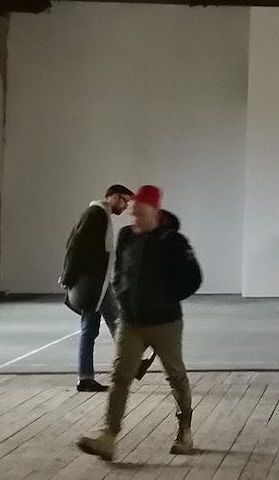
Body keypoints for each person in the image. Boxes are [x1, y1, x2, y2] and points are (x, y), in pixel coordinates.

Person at [77, 185, 203, 462]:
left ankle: (184, 431)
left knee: (175, 376)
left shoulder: (174, 241)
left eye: (141, 213)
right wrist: (122, 295)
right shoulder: (126, 236)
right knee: (120, 376)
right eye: (133, 213)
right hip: (131, 322)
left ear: (155, 212)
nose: (135, 219)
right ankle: (108, 436)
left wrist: (167, 297)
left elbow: (194, 278)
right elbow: (119, 270)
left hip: (165, 323)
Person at [61, 184, 132, 392]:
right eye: (125, 201)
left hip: (98, 283)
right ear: (114, 197)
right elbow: (75, 246)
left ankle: (89, 376)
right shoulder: (95, 215)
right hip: (92, 284)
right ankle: (127, 365)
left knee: (104, 325)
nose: (126, 206)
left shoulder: (101, 215)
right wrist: (68, 277)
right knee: (105, 324)